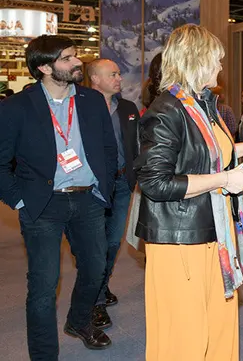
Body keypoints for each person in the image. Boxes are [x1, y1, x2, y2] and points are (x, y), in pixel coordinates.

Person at [134, 24, 243, 361]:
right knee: (184, 336)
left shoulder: (201, 105)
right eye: (216, 60)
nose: (220, 68)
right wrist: (223, 180)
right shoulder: (166, 112)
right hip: (181, 239)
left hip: (214, 231)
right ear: (197, 60)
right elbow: (155, 184)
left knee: (219, 325)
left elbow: (211, 152)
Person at [0, 35, 117, 358]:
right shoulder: (16, 107)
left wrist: (101, 189)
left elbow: (108, 148)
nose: (77, 62)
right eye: (67, 58)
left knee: (96, 269)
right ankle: (44, 355)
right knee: (42, 286)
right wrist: (19, 200)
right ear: (45, 67)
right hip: (42, 205)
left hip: (88, 200)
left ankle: (79, 320)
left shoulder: (92, 100)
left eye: (75, 55)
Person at [87, 58, 140, 329]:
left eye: (119, 74)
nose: (119, 79)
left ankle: (101, 285)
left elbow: (137, 146)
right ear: (95, 79)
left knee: (112, 243)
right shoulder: (81, 107)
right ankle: (95, 301)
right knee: (95, 246)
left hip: (122, 186)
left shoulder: (128, 108)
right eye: (113, 74)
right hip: (92, 188)